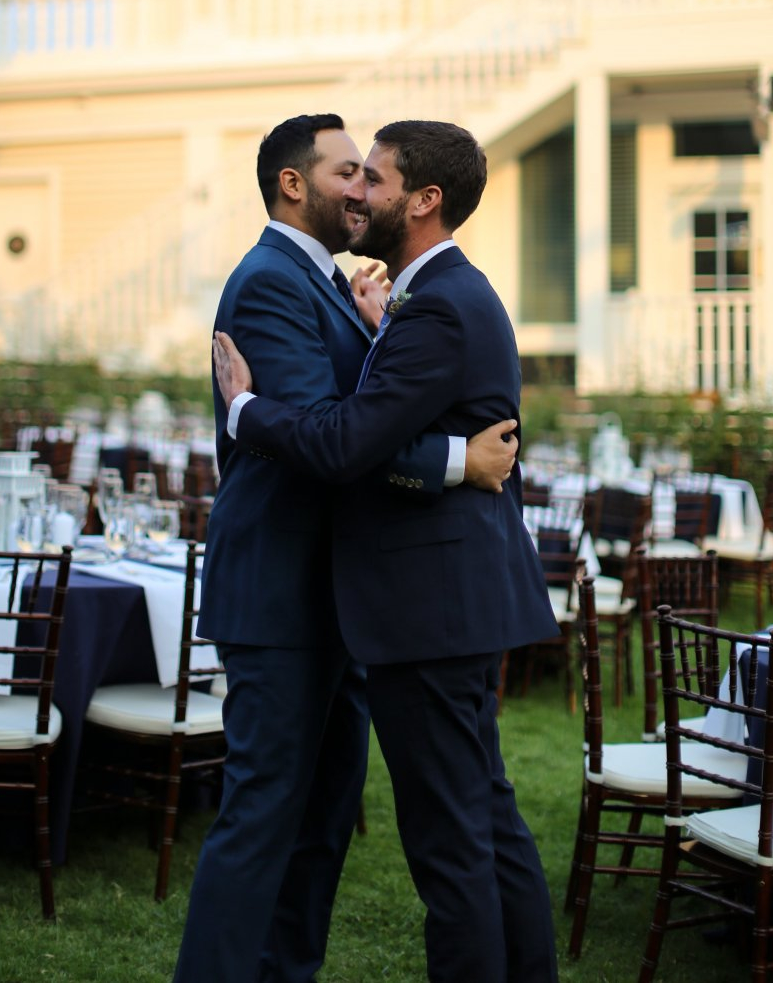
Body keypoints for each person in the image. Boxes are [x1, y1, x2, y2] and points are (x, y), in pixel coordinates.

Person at [174, 114, 519, 983]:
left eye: (373, 176)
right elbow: (332, 437)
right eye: (347, 172)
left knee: (322, 822)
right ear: (297, 184)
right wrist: (455, 460)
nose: (361, 190)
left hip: (341, 601)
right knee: (261, 820)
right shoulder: (269, 284)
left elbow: (362, 411)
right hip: (282, 593)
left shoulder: (333, 286)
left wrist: (372, 330)